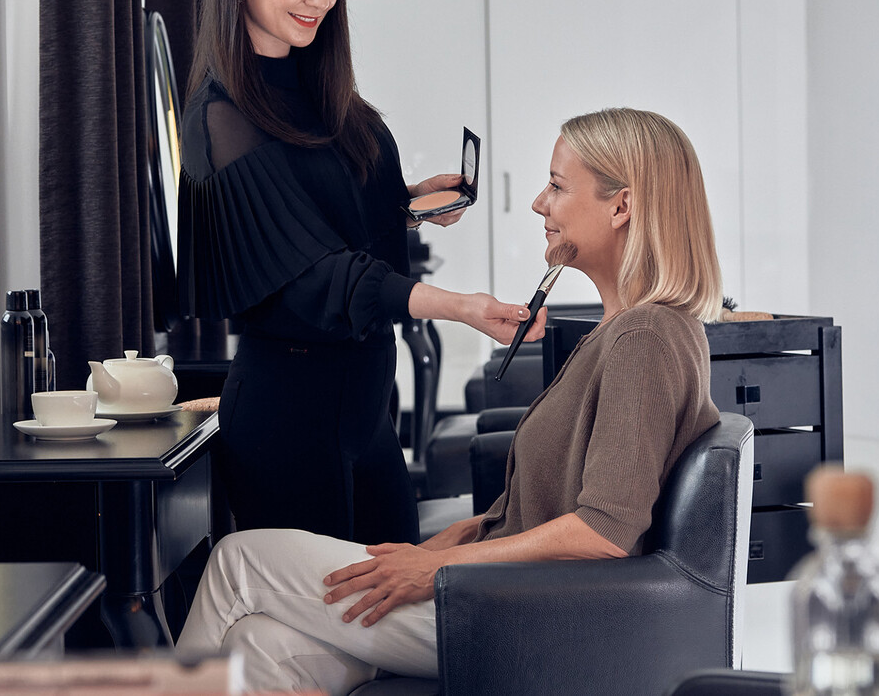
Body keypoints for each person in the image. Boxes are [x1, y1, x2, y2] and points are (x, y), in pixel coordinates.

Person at [176, 107, 726, 694]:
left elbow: (602, 532)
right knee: (258, 646)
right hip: (500, 597)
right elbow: (538, 508)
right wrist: (449, 541)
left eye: (558, 187)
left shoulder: (644, 338)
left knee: (237, 563)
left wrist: (435, 568)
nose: (540, 203)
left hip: (516, 616)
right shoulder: (627, 330)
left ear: (622, 207)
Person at [178, 0, 539, 547]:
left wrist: (405, 207)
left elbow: (315, 212)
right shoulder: (219, 122)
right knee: (331, 635)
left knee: (390, 625)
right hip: (289, 415)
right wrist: (458, 306)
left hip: (366, 403)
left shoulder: (320, 87)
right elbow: (312, 274)